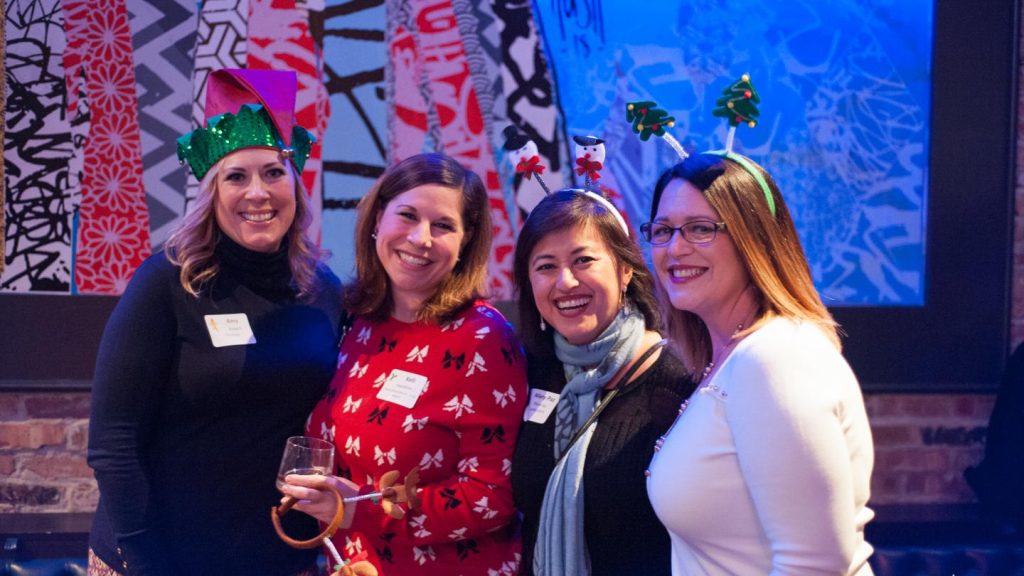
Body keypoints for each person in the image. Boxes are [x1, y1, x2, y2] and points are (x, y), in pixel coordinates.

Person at [87, 69, 344, 576]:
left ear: (295, 184)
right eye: (236, 176)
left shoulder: (324, 291)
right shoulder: (167, 282)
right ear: (212, 191)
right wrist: (147, 562)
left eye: (273, 173)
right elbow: (112, 442)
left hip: (277, 557)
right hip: (157, 557)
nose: (258, 193)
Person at [282, 153, 528, 575]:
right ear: (378, 219)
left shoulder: (485, 340)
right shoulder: (356, 320)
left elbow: (493, 496)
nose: (420, 238)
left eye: (443, 225)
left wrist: (363, 510)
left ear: (466, 241)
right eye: (408, 215)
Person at [643, 152, 875, 575]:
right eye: (662, 230)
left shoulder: (775, 358)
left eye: (700, 229)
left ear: (755, 238)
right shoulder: (735, 357)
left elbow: (814, 566)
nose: (675, 248)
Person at [510, 189, 695, 576]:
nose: (565, 282)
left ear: (625, 269)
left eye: (583, 260)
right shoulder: (531, 371)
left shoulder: (680, 381)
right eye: (546, 266)